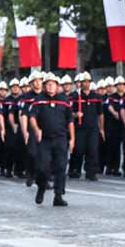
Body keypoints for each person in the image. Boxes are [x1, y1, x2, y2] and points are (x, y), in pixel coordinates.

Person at [30, 73, 75, 206]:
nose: (50, 86)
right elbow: (32, 117)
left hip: (61, 138)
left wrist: (72, 138)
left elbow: (70, 121)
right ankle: (41, 187)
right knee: (42, 167)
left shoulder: (64, 100)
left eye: (53, 84)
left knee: (61, 167)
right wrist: (36, 129)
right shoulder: (39, 100)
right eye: (48, 84)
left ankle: (58, 195)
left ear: (57, 85)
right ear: (44, 86)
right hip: (45, 139)